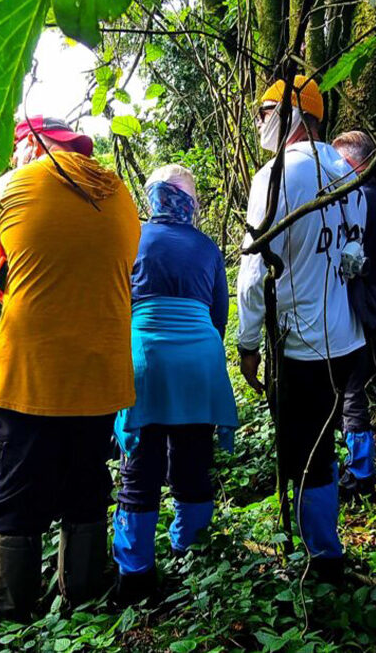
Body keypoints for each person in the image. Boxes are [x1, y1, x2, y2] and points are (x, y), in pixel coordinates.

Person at [0, 116, 140, 622]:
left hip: (29, 373)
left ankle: (12, 612)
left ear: (31, 145)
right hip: (100, 373)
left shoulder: (5, 189)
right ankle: (83, 597)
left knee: (17, 494)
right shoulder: (121, 194)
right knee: (88, 487)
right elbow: (124, 267)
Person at [237, 75, 367, 584]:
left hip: (301, 344)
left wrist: (248, 344)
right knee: (323, 442)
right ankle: (317, 542)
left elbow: (253, 273)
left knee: (305, 451)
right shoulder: (349, 174)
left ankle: (322, 557)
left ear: (292, 115)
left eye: (266, 111)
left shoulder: (275, 176)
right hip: (346, 339)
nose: (260, 122)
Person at [110, 165, 239, 604]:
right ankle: (192, 555)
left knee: (140, 467)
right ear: (189, 202)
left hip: (146, 358)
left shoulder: (132, 239)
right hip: (199, 362)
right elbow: (219, 314)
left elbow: (117, 304)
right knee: (192, 460)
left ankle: (136, 575)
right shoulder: (207, 247)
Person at [330, 130, 376, 501]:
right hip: (374, 308)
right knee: (351, 392)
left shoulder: (357, 202)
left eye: (338, 163)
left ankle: (359, 474)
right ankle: (358, 470)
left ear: (355, 163)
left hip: (351, 311)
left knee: (348, 394)